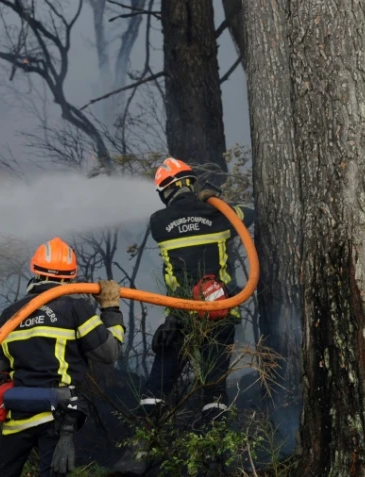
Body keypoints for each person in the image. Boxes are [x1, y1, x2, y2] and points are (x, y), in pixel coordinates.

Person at [113, 157, 255, 474]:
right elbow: (251, 215)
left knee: (158, 385)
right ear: (190, 182)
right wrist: (216, 199)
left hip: (180, 317)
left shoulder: (159, 221)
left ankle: (139, 455)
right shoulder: (220, 215)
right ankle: (213, 459)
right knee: (214, 389)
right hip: (220, 315)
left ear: (165, 190)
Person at [0, 237, 125, 477]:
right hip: (57, 415)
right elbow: (109, 353)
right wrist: (111, 308)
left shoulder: (9, 314)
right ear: (71, 277)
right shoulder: (73, 308)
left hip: (18, 411)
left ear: (35, 271)